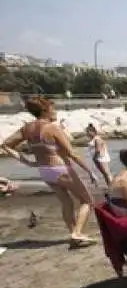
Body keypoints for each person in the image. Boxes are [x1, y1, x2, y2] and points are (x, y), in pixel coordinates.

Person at [0, 96, 98, 247]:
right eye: (54, 108)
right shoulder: (52, 127)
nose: (56, 112)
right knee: (87, 201)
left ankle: (73, 235)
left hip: (44, 170)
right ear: (46, 110)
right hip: (60, 168)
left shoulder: (27, 128)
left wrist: (27, 162)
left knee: (66, 201)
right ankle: (77, 233)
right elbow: (72, 153)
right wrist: (90, 171)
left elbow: (5, 145)